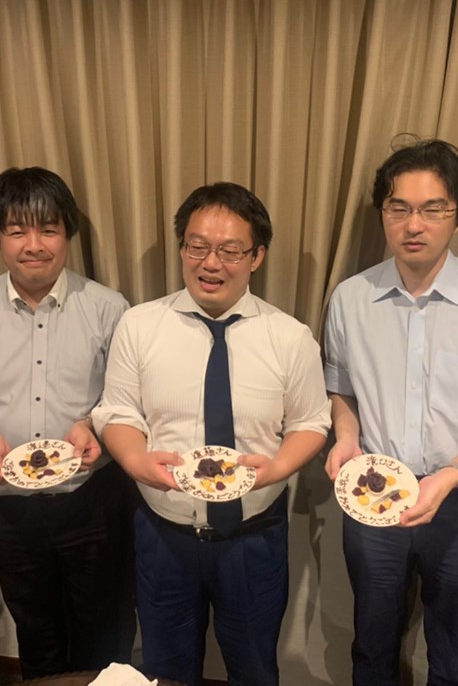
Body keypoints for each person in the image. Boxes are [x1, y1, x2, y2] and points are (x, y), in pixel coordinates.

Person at [93, 182, 331, 686]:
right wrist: (135, 462)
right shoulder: (140, 325)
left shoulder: (290, 337)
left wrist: (279, 467)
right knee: (166, 671)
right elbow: (118, 412)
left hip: (254, 536)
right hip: (164, 532)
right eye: (197, 246)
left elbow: (311, 422)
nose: (210, 263)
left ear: (257, 256)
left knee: (254, 669)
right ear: (182, 247)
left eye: (230, 250)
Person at [323, 139, 458, 686]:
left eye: (432, 209)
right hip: (373, 492)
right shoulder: (350, 298)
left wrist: (451, 474)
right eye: (398, 208)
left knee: (453, 649)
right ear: (383, 213)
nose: (413, 224)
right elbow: (342, 390)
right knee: (371, 641)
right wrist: (345, 437)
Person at [0, 166, 134, 678]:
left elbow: (127, 397)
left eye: (48, 229)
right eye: (17, 231)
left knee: (104, 633)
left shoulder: (109, 308)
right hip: (9, 506)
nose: (33, 245)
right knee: (35, 632)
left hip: (94, 500)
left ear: (67, 234)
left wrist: (92, 424)